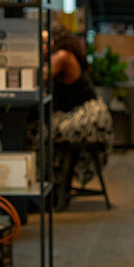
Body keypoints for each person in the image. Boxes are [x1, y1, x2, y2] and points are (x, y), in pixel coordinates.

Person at [39, 25, 113, 197]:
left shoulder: (62, 56)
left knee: (41, 133)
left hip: (88, 117)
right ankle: (52, 185)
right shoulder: (59, 55)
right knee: (41, 129)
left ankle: (49, 187)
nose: (42, 46)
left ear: (57, 40)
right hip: (78, 113)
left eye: (45, 41)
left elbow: (41, 77)